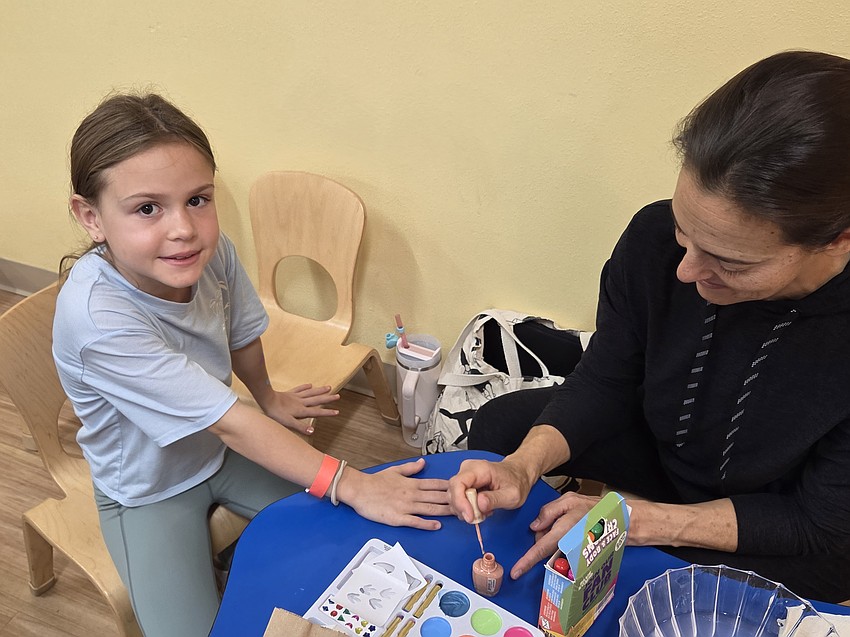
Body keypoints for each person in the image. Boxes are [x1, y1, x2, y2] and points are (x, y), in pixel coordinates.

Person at [448, 50, 850, 604]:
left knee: (670, 596)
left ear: (838, 240)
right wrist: (522, 467)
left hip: (781, 514)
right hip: (665, 447)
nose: (686, 272)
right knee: (505, 430)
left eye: (730, 262)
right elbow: (606, 377)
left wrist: (637, 521)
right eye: (685, 232)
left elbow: (816, 522)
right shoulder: (654, 241)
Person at [52, 93, 450, 637]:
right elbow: (231, 423)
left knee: (355, 543)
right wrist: (352, 482)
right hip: (148, 490)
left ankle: (234, 556)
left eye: (197, 199)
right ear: (90, 216)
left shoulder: (210, 252)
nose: (184, 228)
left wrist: (269, 398)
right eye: (147, 208)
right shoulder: (98, 320)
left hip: (218, 450)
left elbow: (240, 334)